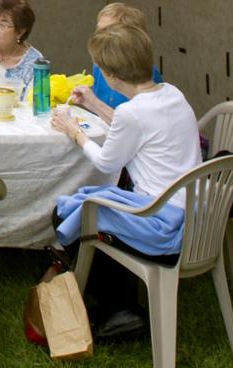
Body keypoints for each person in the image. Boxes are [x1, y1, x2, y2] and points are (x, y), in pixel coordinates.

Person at [50, 22, 200, 338]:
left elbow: (107, 161)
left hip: (161, 223)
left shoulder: (133, 113)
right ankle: (118, 299)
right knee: (93, 204)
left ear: (113, 76)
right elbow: (134, 124)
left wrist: (73, 131)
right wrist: (91, 102)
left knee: (70, 213)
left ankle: (118, 308)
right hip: (195, 213)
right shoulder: (171, 93)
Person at [70, 3, 163, 122]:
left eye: (106, 33)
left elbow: (134, 124)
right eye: (98, 30)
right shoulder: (99, 67)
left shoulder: (148, 75)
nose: (98, 38)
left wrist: (93, 102)